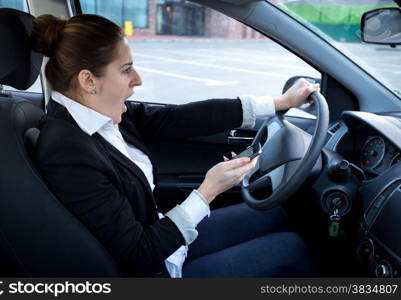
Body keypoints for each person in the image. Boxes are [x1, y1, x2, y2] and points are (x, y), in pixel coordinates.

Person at [31, 13, 320, 277]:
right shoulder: (67, 151)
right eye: (126, 69)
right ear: (88, 81)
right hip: (156, 268)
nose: (138, 80)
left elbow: (183, 118)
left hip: (167, 240)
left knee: (275, 215)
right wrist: (207, 191)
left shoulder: (107, 116)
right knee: (288, 251)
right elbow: (139, 255)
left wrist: (281, 102)